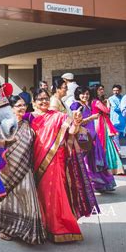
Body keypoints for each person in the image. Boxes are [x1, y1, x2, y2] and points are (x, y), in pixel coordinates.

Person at [27, 88, 97, 242]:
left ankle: (61, 227)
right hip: (35, 162)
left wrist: (77, 123)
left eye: (46, 98)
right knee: (40, 195)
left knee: (55, 194)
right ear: (33, 102)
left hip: (55, 161)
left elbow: (72, 131)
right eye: (40, 99)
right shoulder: (29, 118)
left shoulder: (58, 116)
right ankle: (43, 226)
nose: (44, 101)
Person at [0, 95, 46, 245]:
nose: (22, 108)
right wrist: (2, 166)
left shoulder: (27, 124)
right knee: (7, 199)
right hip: (7, 167)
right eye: (18, 106)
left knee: (28, 198)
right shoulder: (4, 125)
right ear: (11, 108)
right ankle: (3, 228)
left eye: (24, 105)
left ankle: (27, 230)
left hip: (25, 167)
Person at [71, 86, 116, 192]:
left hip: (92, 137)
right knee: (84, 162)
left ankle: (100, 184)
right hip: (82, 139)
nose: (85, 96)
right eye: (82, 94)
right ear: (78, 95)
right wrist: (91, 118)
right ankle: (85, 185)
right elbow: (76, 122)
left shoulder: (87, 105)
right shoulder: (76, 105)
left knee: (93, 162)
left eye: (87, 94)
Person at [91, 84, 124, 175]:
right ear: (96, 91)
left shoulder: (95, 101)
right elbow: (106, 110)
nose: (102, 91)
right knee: (105, 143)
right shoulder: (96, 102)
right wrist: (108, 104)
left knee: (107, 143)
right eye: (100, 89)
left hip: (100, 122)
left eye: (102, 89)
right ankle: (109, 166)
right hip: (100, 123)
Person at [107, 84, 126, 149]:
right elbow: (116, 109)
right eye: (114, 90)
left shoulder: (123, 97)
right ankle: (118, 152)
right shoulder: (111, 98)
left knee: (124, 138)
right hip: (115, 120)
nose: (115, 92)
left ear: (120, 90)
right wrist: (124, 108)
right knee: (116, 138)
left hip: (123, 120)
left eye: (117, 90)